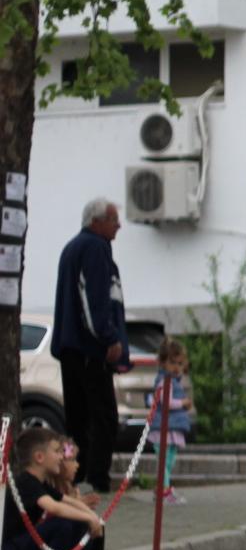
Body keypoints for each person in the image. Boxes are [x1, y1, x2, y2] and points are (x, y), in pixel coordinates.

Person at [51, 198, 132, 492]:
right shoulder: (95, 248)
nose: (118, 225)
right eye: (113, 219)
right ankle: (96, 479)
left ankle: (72, 477)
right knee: (104, 418)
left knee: (77, 420)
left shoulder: (72, 248)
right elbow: (94, 298)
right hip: (90, 351)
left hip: (71, 349)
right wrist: (108, 337)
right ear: (96, 222)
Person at [2, 428, 107, 550]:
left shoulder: (41, 482)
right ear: (39, 457)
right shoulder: (25, 481)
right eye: (57, 451)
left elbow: (68, 501)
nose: (61, 457)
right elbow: (54, 508)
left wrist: (93, 517)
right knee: (62, 523)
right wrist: (89, 517)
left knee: (79, 522)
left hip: (30, 548)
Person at [51, 439, 123, 550]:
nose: (77, 465)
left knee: (98, 523)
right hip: (56, 540)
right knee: (83, 524)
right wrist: (80, 504)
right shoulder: (52, 487)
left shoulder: (71, 487)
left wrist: (85, 507)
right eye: (72, 460)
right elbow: (57, 510)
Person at [149, 339, 194, 506]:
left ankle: (162, 488)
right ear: (162, 362)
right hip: (163, 428)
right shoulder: (164, 381)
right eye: (172, 363)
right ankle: (164, 491)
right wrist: (182, 403)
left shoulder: (174, 382)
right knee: (164, 462)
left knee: (169, 461)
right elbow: (166, 403)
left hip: (171, 428)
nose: (176, 367)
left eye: (179, 363)